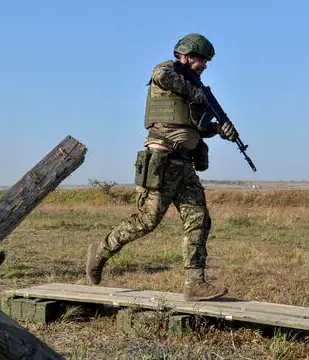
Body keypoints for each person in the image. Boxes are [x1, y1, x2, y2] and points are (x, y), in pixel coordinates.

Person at [86, 33, 238, 301]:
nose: (204, 65)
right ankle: (100, 251)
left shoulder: (195, 89)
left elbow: (197, 128)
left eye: (206, 60)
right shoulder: (167, 72)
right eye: (200, 59)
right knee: (147, 220)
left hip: (185, 165)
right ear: (185, 55)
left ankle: (195, 283)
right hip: (162, 161)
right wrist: (197, 93)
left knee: (198, 219)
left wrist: (219, 129)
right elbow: (160, 75)